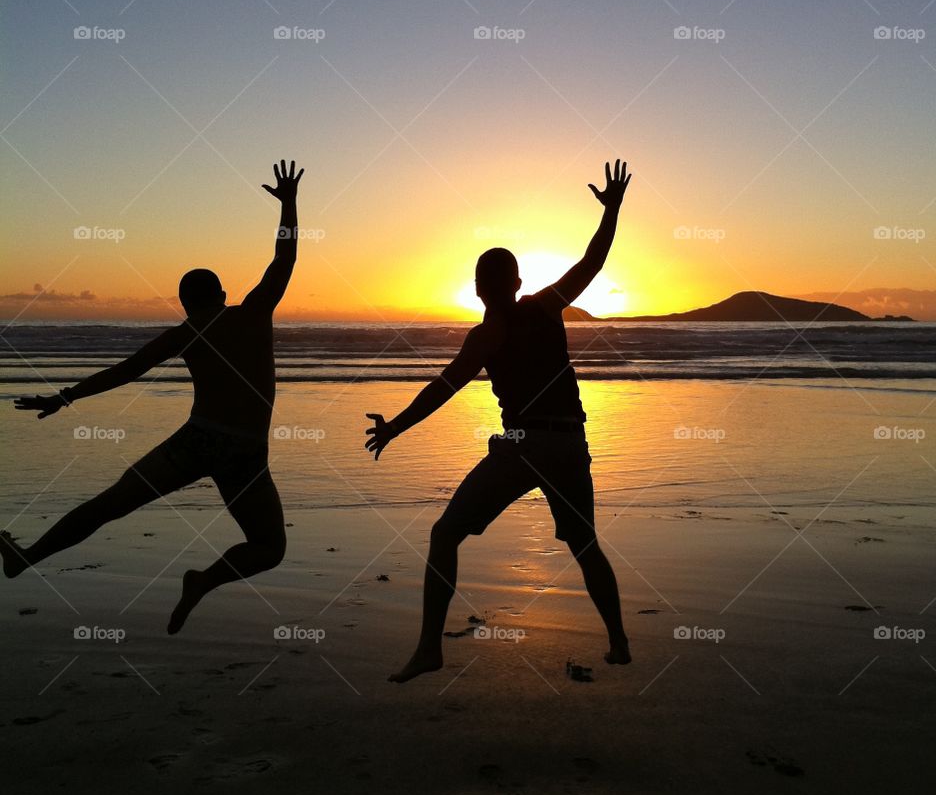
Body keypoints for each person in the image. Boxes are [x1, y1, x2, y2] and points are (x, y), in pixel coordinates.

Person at [2, 160, 304, 635]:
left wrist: (65, 396)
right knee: (268, 548)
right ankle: (203, 580)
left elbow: (125, 372)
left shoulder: (183, 334)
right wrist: (288, 204)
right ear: (223, 293)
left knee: (110, 504)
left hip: (196, 441)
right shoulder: (250, 313)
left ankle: (28, 555)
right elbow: (283, 259)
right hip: (245, 453)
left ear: (185, 303)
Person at [366, 159, 632, 683]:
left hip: (523, 446)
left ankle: (429, 648)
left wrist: (395, 427)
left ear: (477, 288)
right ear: (516, 282)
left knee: (446, 534)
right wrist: (612, 210)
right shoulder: (546, 305)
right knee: (585, 545)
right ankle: (619, 643)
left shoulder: (487, 335)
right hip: (570, 444)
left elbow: (443, 388)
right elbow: (593, 261)